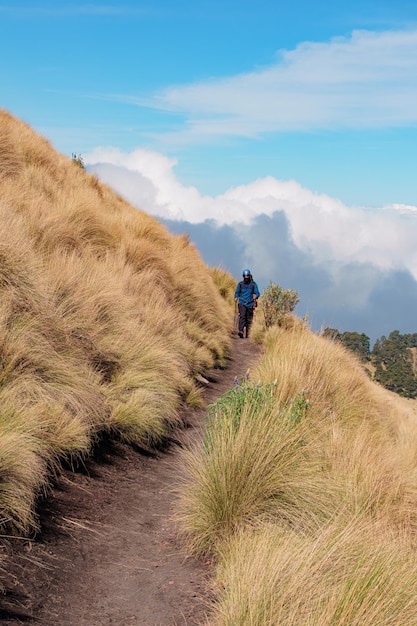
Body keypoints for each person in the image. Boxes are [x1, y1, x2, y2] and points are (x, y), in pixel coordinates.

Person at [234, 269, 260, 338]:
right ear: (243, 276)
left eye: (247, 276)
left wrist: (256, 296)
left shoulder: (253, 284)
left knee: (249, 319)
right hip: (242, 302)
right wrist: (236, 297)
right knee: (242, 316)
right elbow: (237, 292)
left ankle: (248, 333)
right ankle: (241, 331)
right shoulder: (240, 284)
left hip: (250, 304)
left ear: (249, 276)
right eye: (245, 276)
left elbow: (257, 293)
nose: (246, 277)